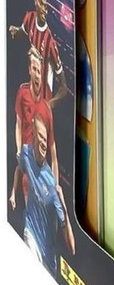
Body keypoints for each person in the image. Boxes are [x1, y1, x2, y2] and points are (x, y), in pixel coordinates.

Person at [18, 114, 75, 276]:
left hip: (49, 260)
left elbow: (72, 248)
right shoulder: (26, 153)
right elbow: (20, 168)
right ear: (33, 135)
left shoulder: (51, 184)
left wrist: (64, 209)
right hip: (31, 235)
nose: (43, 142)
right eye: (40, 137)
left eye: (45, 138)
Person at [9, 47, 59, 210]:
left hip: (41, 166)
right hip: (26, 162)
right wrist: (19, 151)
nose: (37, 74)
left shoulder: (46, 110)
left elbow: (53, 154)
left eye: (39, 71)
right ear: (29, 70)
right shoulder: (22, 93)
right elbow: (18, 124)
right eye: (34, 69)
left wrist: (56, 187)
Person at [9, 0, 68, 108]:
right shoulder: (29, 18)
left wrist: (48, 105)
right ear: (36, 2)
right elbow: (22, 32)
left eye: (47, 6)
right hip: (32, 95)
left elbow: (64, 88)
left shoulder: (50, 43)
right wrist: (14, 31)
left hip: (44, 100)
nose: (45, 9)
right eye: (42, 4)